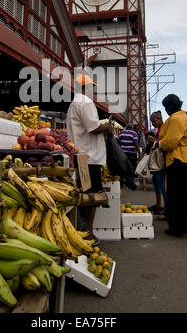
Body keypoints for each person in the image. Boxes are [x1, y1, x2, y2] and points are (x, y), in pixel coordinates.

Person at [66, 74, 113, 245]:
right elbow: (93, 127)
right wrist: (107, 127)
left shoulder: (74, 104)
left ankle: (81, 230)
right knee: (90, 197)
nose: (93, 91)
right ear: (84, 88)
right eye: (91, 87)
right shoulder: (85, 103)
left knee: (81, 195)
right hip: (88, 159)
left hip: (81, 156)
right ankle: (88, 234)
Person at [159, 94, 187, 237]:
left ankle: (176, 227)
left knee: (175, 194)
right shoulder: (184, 117)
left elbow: (170, 142)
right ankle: (186, 224)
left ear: (170, 107)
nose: (166, 110)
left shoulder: (176, 119)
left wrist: (160, 144)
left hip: (177, 158)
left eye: (166, 107)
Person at [147, 111, 167, 218]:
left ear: (159, 118)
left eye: (154, 121)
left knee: (162, 184)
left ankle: (166, 209)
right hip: (158, 161)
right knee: (157, 183)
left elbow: (164, 142)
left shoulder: (165, 128)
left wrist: (153, 140)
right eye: (152, 122)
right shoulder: (159, 129)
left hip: (161, 161)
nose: (153, 124)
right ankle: (159, 204)